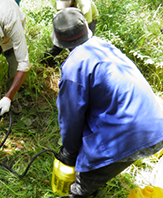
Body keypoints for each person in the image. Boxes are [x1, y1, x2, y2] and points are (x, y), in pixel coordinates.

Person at [52, 8, 163, 198]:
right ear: (87, 27)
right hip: (156, 126)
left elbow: (71, 118)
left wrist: (69, 152)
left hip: (131, 135)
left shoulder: (73, 67)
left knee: (82, 185)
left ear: (59, 41)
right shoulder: (103, 46)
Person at [42, 0, 99, 67]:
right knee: (63, 38)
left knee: (83, 44)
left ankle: (84, 63)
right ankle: (46, 60)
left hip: (88, 19)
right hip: (71, 18)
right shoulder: (61, 3)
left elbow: (86, 32)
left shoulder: (84, 5)